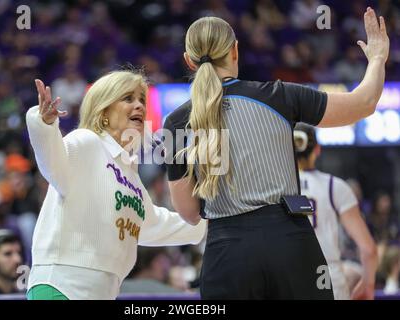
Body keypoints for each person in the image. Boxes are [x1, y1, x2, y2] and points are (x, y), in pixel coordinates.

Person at [163, 8, 389, 299]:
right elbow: (364, 102)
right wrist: (378, 58)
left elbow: (189, 213)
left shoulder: (177, 122)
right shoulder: (278, 96)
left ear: (189, 61)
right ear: (235, 51)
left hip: (226, 254)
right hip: (290, 243)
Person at [26, 70, 206, 300]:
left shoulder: (130, 174)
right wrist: (44, 123)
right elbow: (52, 163)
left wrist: (215, 221)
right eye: (128, 99)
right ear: (104, 112)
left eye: (142, 99)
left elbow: (152, 225)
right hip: (61, 286)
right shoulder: (86, 141)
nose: (140, 105)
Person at [294, 124, 378, 300]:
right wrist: (368, 283)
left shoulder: (276, 189)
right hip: (327, 276)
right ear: (317, 149)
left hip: (288, 277)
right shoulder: (334, 186)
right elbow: (368, 249)